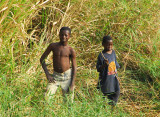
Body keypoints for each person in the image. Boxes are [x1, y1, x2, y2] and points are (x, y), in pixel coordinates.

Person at [40, 27, 77, 102]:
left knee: (69, 102)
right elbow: (42, 59)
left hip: (67, 77)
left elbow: (74, 67)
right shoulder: (53, 46)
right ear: (59, 35)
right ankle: (48, 113)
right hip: (55, 77)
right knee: (47, 97)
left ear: (69, 36)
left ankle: (67, 114)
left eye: (66, 35)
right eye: (62, 35)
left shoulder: (70, 50)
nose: (63, 37)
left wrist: (72, 84)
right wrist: (48, 75)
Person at [96, 35, 120, 107]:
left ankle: (111, 111)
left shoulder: (113, 52)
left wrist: (117, 67)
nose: (109, 46)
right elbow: (98, 69)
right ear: (103, 44)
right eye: (107, 44)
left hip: (114, 79)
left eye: (111, 44)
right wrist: (104, 65)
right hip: (106, 80)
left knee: (116, 94)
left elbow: (115, 63)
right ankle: (104, 110)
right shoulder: (101, 55)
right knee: (104, 95)